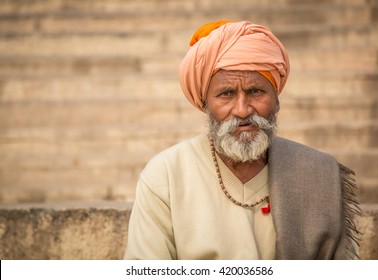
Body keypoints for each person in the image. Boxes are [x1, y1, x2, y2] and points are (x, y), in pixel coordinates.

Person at [124, 20, 360, 260]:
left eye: (255, 91)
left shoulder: (317, 173)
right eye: (226, 94)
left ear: (276, 97)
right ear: (205, 104)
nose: (243, 109)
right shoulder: (166, 174)